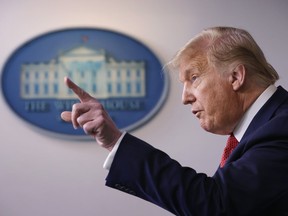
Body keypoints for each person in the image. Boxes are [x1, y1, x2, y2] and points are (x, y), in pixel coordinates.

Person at [61, 26, 288, 216]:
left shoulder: (282, 127)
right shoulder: (267, 127)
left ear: (236, 77)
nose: (185, 98)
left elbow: (217, 205)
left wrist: (115, 142)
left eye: (194, 78)